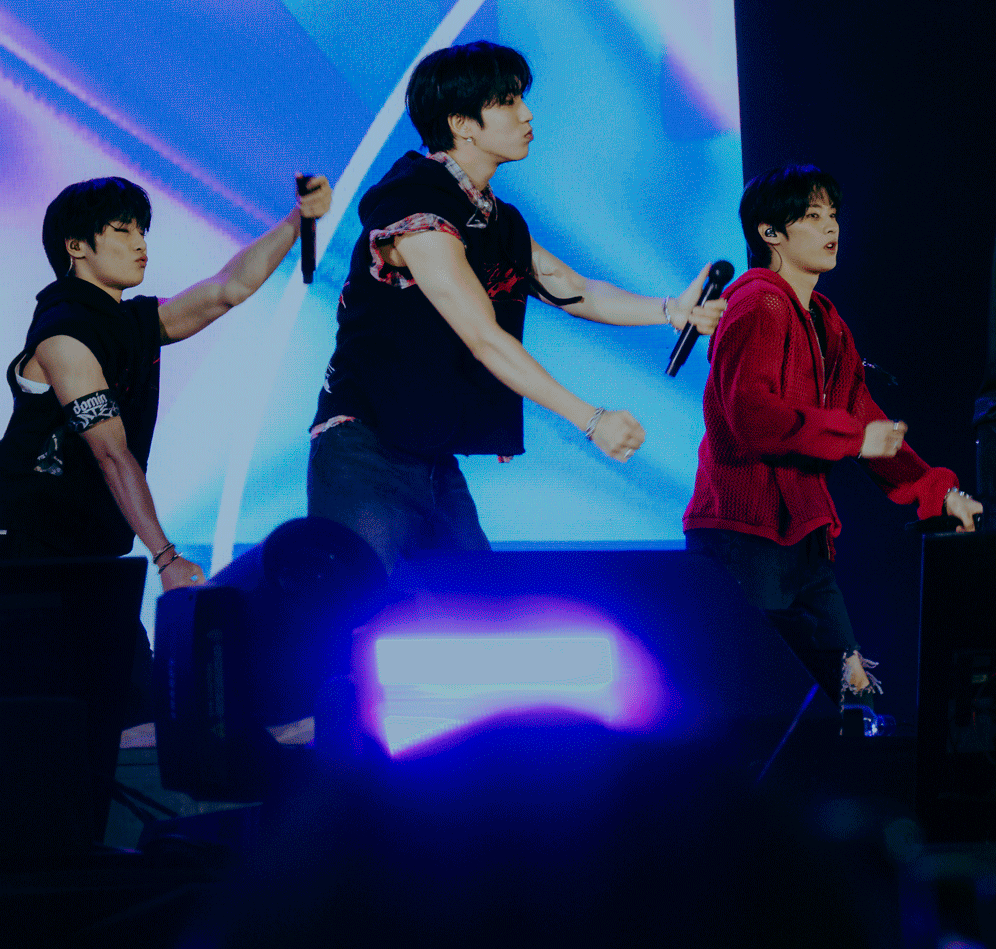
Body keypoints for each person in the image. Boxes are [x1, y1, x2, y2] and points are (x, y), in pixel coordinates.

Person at [308, 40, 725, 571]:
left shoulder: (495, 219)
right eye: (508, 102)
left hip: (428, 450)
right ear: (462, 124)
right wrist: (590, 419)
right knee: (361, 606)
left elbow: (573, 288)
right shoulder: (416, 206)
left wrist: (670, 310)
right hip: (364, 448)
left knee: (474, 601)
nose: (527, 114)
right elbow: (483, 337)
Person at [0, 174, 331, 717]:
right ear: (75, 246)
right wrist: (166, 557)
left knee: (130, 708)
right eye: (123, 230)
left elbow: (227, 289)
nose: (140, 244)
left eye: (142, 231)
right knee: (44, 715)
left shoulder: (131, 321)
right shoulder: (63, 336)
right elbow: (112, 454)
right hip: (26, 559)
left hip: (89, 559)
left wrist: (298, 221)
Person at [683, 164, 982, 705]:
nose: (830, 227)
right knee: (777, 702)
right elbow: (752, 415)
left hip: (801, 534)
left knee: (849, 694)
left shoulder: (826, 321)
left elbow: (866, 421)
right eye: (812, 215)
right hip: (744, 534)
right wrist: (853, 438)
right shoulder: (758, 303)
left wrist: (938, 493)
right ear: (770, 232)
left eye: (833, 214)